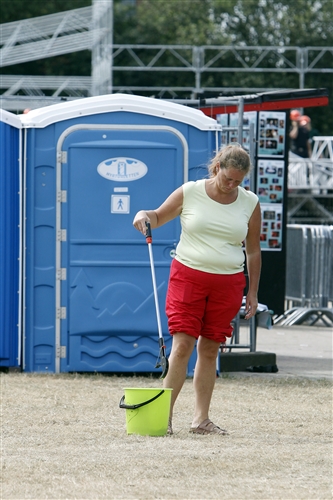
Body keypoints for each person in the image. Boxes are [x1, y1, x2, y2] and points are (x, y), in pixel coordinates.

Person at [133, 144, 262, 436]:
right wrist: (142, 215)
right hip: (188, 277)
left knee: (210, 348)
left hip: (228, 282)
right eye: (228, 178)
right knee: (182, 346)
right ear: (216, 168)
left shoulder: (250, 202)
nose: (231, 185)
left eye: (238, 181)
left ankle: (200, 420)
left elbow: (253, 251)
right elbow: (156, 216)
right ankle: (162, 418)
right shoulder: (190, 191)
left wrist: (252, 292)